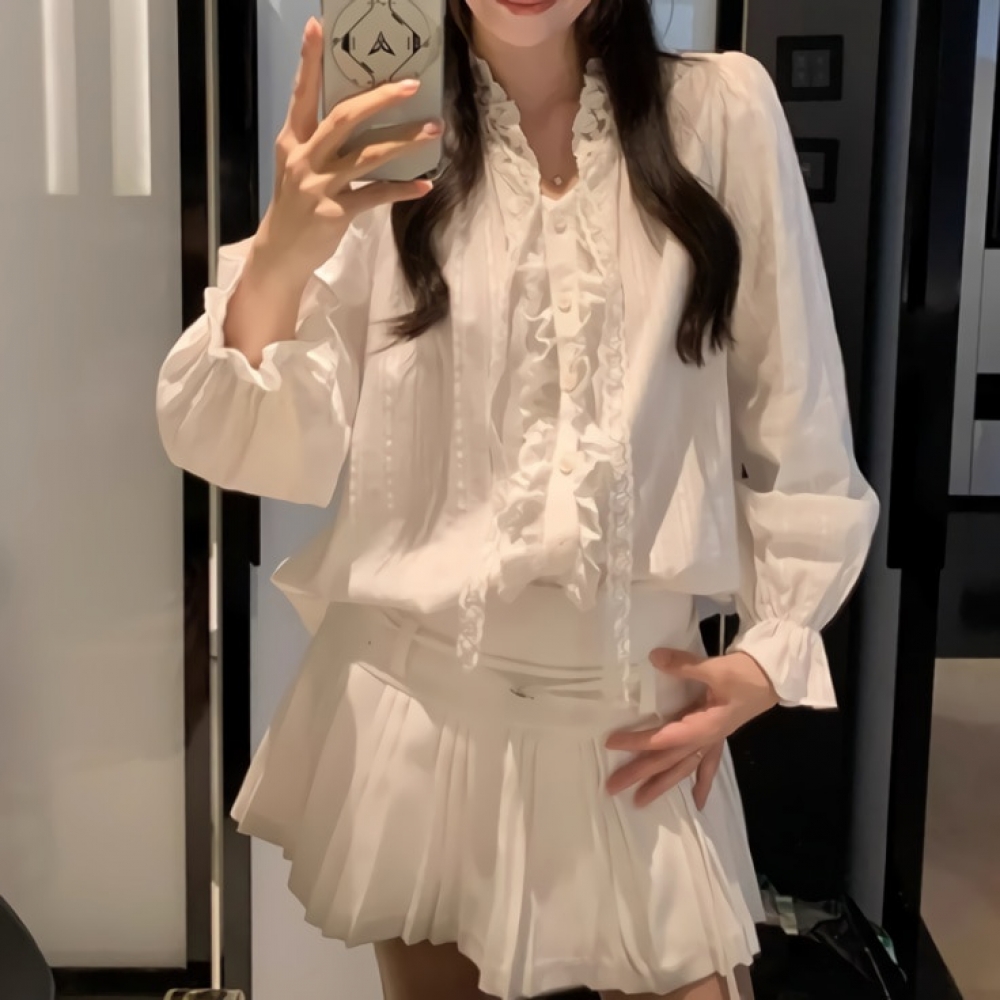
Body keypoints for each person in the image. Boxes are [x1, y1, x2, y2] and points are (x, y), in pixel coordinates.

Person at [156, 1, 879, 998]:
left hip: (633, 724)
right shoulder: (387, 135)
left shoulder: (721, 114)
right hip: (424, 719)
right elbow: (243, 435)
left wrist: (772, 649)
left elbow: (797, 417)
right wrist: (283, 245)